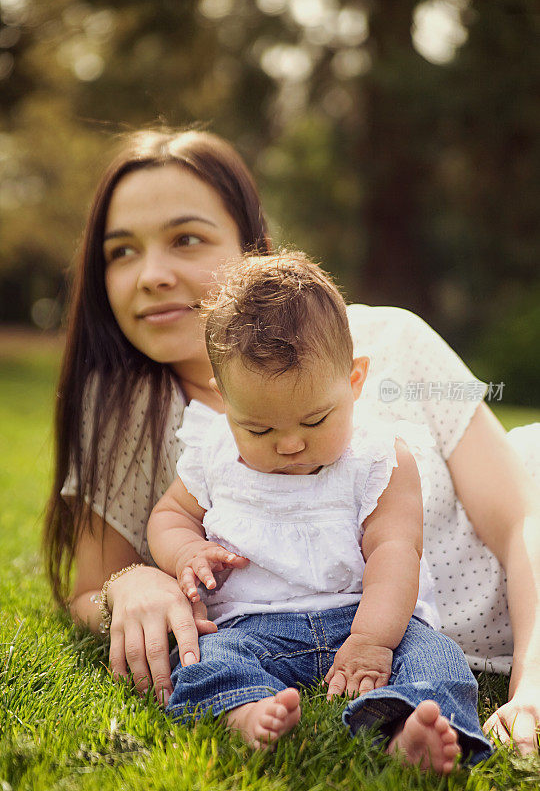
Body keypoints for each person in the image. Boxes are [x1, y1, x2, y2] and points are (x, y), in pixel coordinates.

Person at [43, 127, 540, 754]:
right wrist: (134, 582)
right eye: (121, 252)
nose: (153, 274)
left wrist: (532, 683)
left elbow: (523, 515)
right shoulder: (130, 418)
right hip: (317, 648)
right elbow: (90, 588)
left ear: (254, 251)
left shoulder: (389, 341)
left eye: (186, 238)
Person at [146, 252, 493, 770]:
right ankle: (243, 709)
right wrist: (186, 550)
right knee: (207, 657)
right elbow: (168, 516)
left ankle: (410, 730)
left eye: (315, 420)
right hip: (253, 626)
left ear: (354, 382)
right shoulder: (212, 452)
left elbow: (396, 552)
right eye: (259, 429)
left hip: (366, 614)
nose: (289, 445)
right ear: (226, 402)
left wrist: (373, 642)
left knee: (435, 658)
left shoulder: (380, 459)